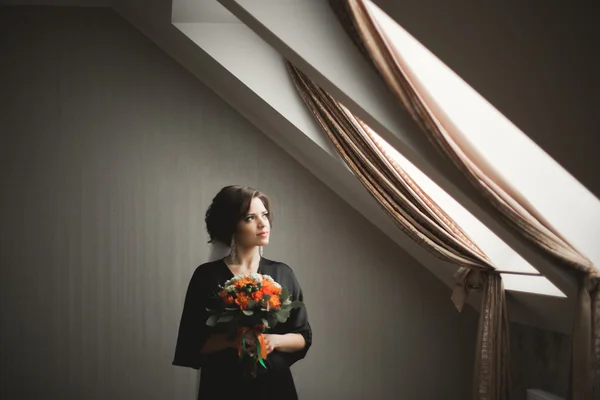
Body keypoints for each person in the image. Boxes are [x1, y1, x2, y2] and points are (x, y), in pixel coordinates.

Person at [172, 185, 312, 400]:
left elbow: (303, 336)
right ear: (231, 226)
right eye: (250, 218)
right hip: (222, 386)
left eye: (264, 215)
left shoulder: (282, 273)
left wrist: (272, 341)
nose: (263, 223)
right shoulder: (206, 276)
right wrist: (232, 340)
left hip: (274, 386)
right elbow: (191, 344)